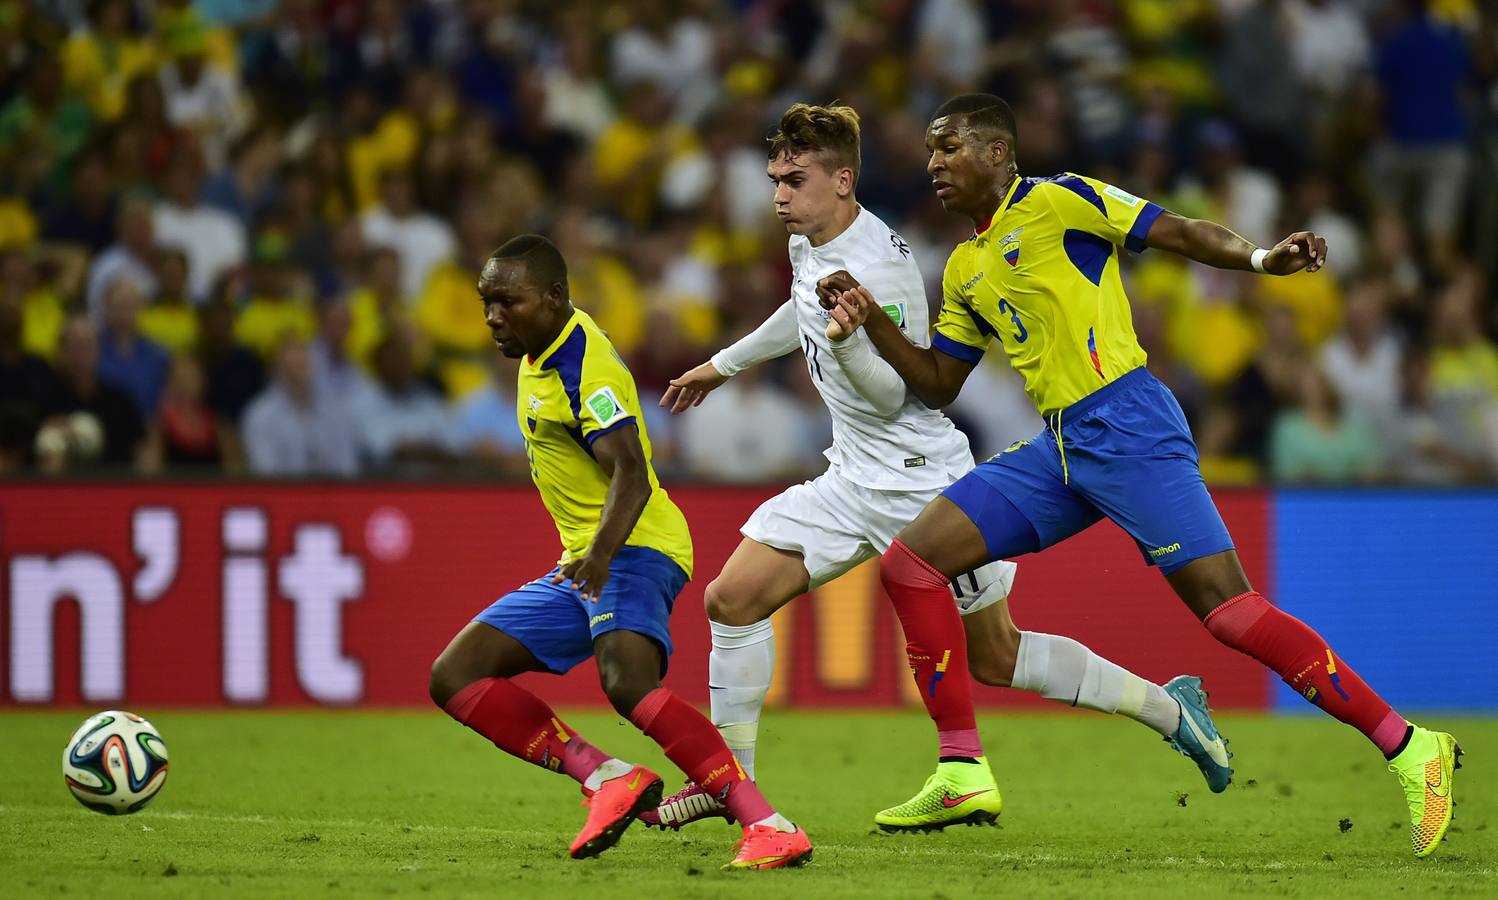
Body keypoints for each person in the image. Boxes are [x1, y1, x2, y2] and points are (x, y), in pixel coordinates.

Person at [821, 93, 1460, 857]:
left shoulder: (1063, 199)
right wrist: (875, 324)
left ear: (997, 152)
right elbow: (937, 381)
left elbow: (1181, 230)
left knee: (1228, 613)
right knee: (912, 564)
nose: (932, 165)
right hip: (1059, 446)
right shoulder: (963, 268)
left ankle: (1410, 744)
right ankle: (961, 768)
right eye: (929, 152)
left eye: (948, 147)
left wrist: (1260, 259)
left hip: (1126, 424)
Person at [651, 103, 1229, 834]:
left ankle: (1173, 712)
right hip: (850, 477)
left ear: (842, 180)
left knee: (997, 655)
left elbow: (897, 393)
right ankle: (730, 784)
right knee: (731, 600)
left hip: (921, 478)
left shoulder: (880, 267)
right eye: (775, 180)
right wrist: (722, 364)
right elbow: (796, 312)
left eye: (794, 181)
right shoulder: (809, 243)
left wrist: (857, 337)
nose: (778, 196)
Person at [427, 235, 812, 870]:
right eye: (486, 302)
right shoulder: (537, 354)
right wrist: (589, 557)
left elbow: (631, 474)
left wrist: (602, 556)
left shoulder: (584, 367)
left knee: (627, 681)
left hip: (634, 546)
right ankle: (606, 777)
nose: (494, 316)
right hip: (587, 558)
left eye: (508, 302)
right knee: (455, 675)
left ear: (554, 298)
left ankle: (768, 824)